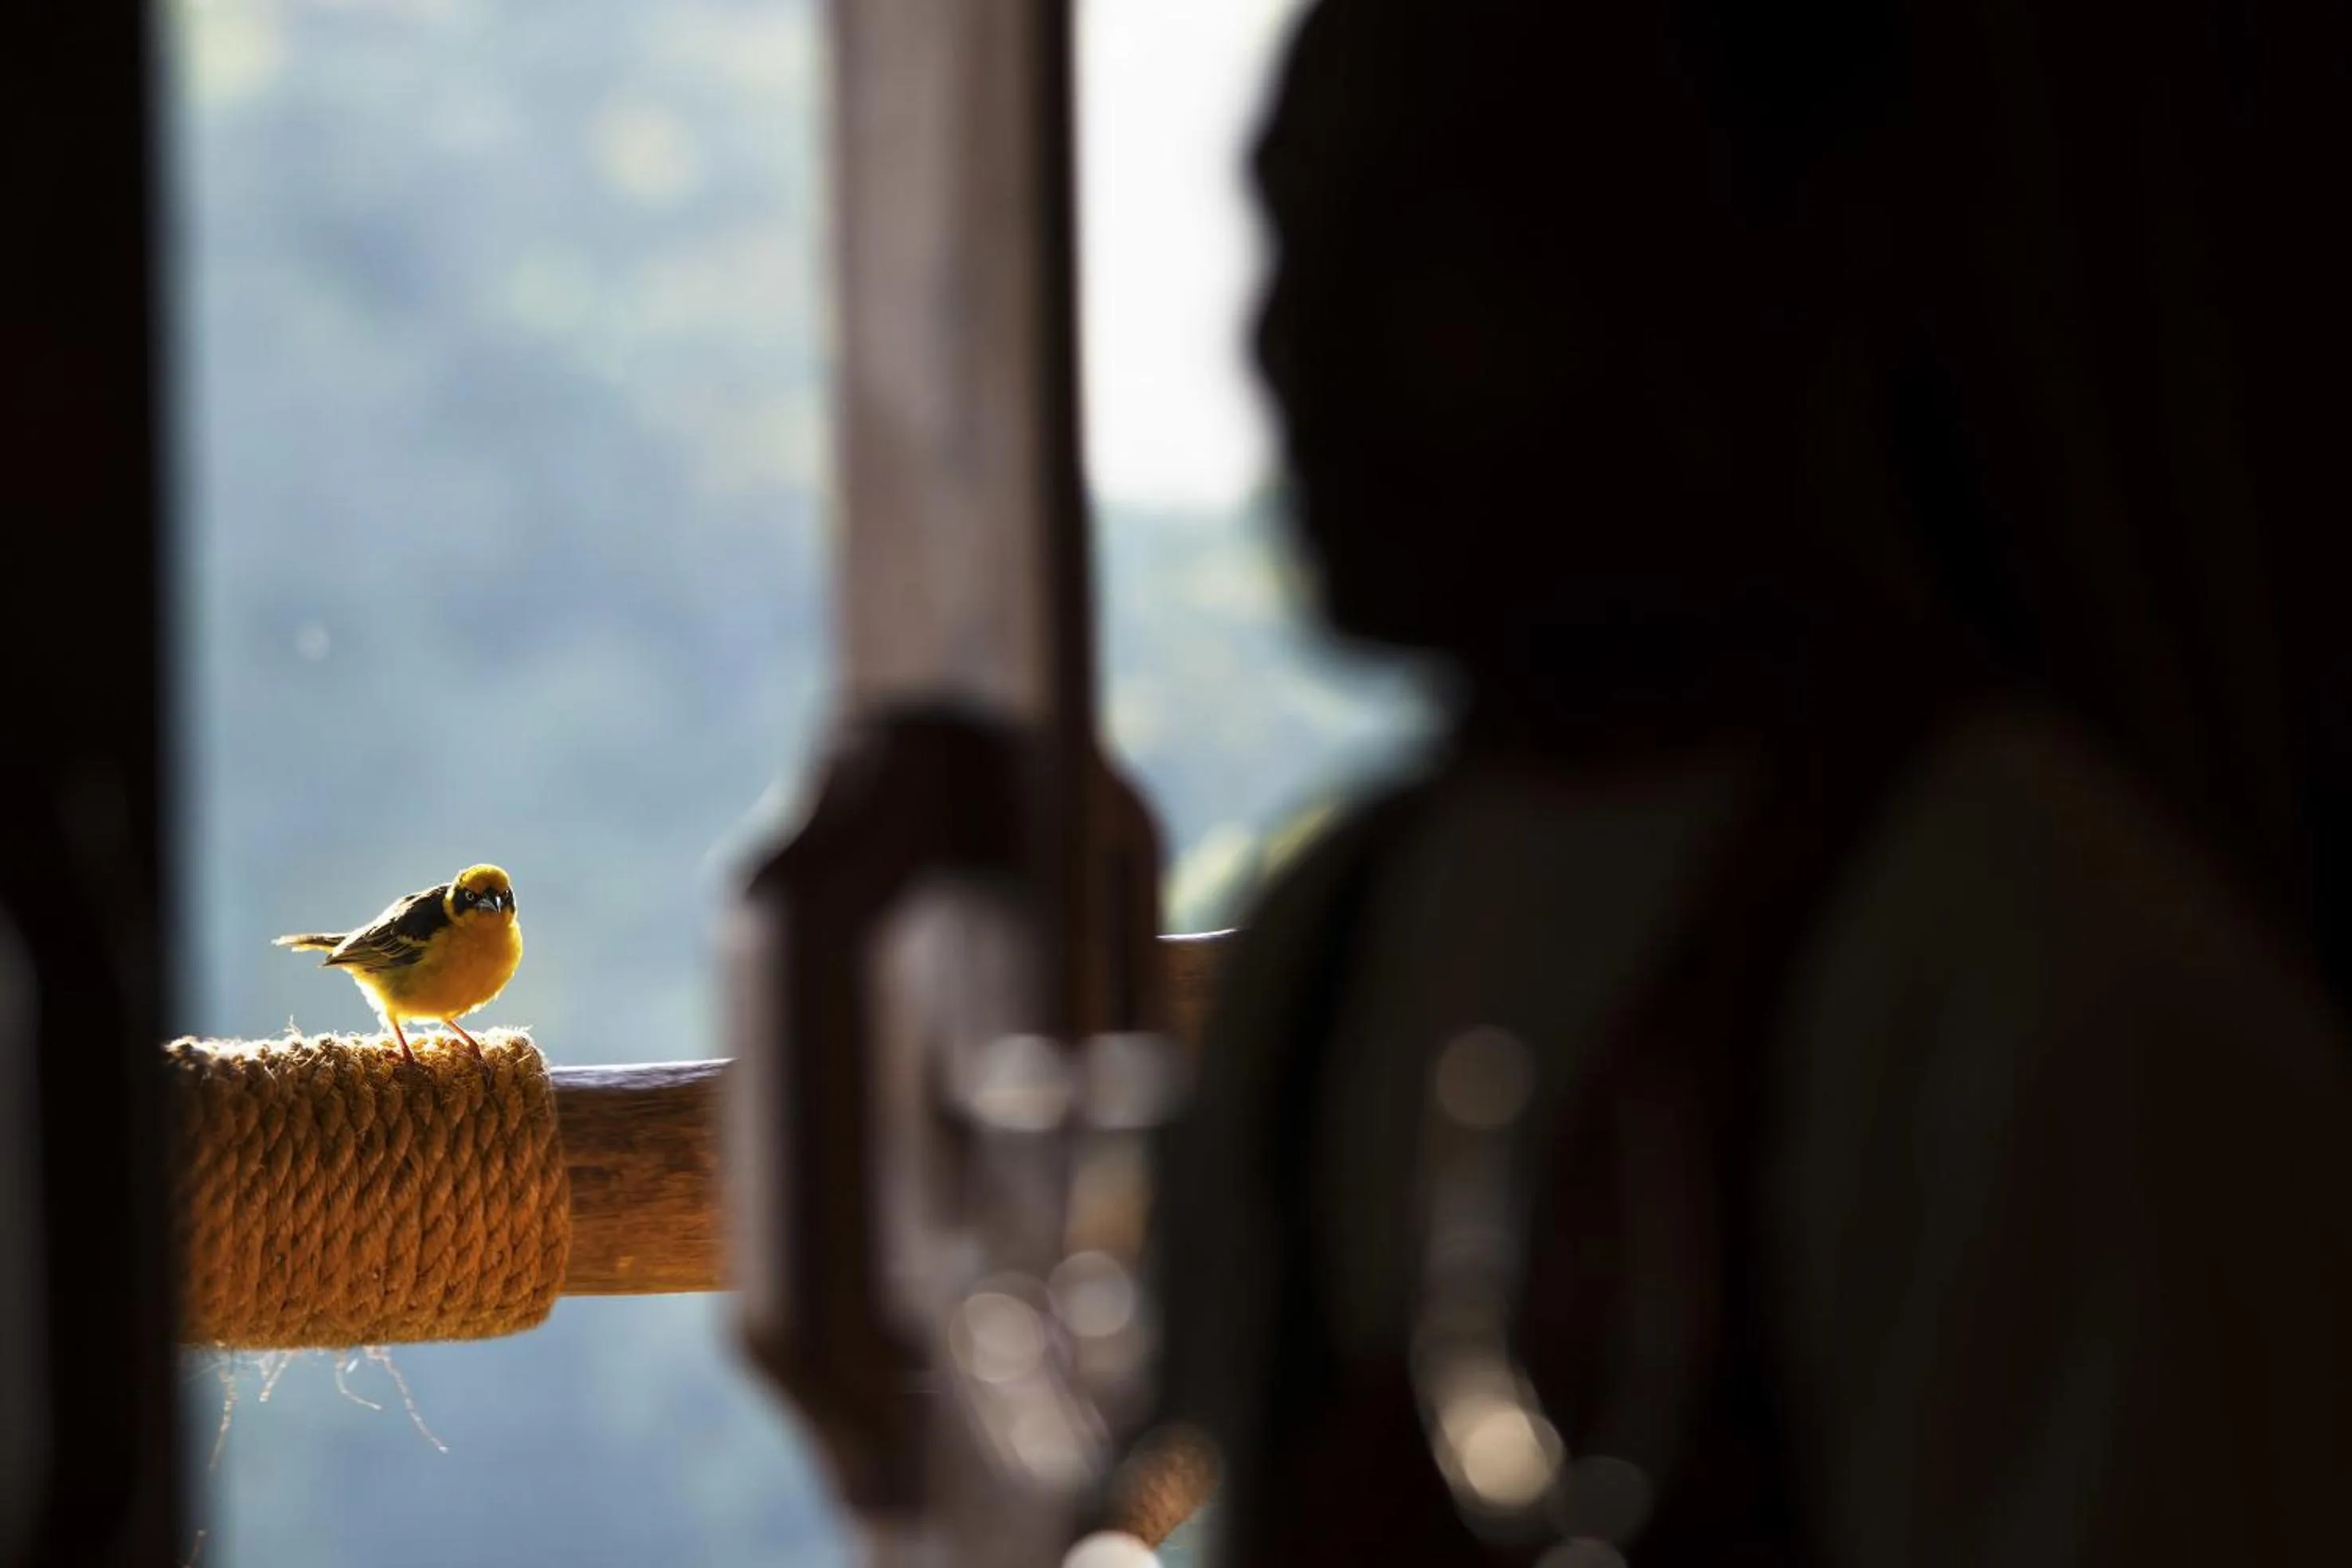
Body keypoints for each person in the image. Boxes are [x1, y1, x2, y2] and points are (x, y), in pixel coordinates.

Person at [1140, 0, 2352, 1562]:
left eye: (1432, 251)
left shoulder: (2052, 1009)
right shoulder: (1332, 945)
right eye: (1291, 234)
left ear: (1783, 261)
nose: (1289, 341)